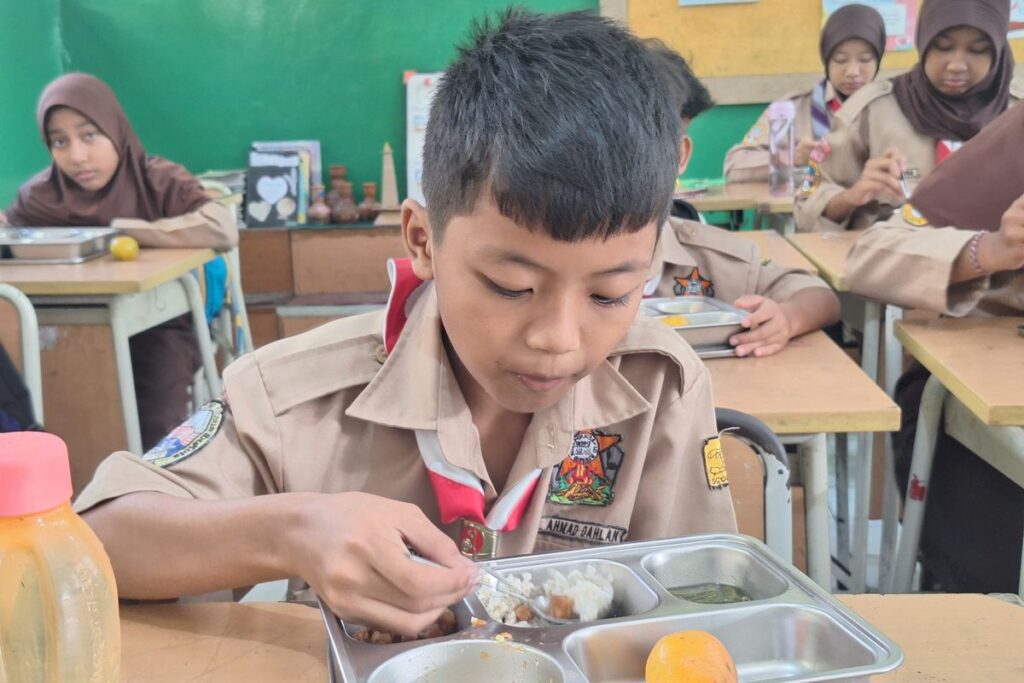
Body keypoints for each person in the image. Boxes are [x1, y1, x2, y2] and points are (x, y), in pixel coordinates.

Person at [74, 10, 736, 638]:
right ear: (422, 239)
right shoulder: (291, 397)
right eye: (512, 286)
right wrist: (289, 532)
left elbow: (706, 604)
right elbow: (97, 540)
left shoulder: (663, 388)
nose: (557, 338)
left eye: (611, 293)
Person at [2, 73, 238, 450]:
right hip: (57, 327)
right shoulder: (40, 196)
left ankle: (159, 494)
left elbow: (221, 227)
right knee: (52, 399)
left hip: (159, 327)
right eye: (59, 142)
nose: (77, 156)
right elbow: (12, 236)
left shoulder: (157, 179)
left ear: (115, 128)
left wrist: (126, 232)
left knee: (157, 415)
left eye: (89, 135)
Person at [844, 103, 1024, 592]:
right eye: (945, 46)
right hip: (977, 410)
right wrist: (988, 251)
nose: (959, 65)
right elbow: (872, 252)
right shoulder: (1014, 139)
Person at [646, 41, 840, 357]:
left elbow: (819, 296)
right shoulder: (552, 260)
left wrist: (785, 319)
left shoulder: (711, 257)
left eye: (656, 142)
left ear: (681, 155)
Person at [795, 0, 1019, 233]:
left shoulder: (1017, 116)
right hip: (896, 264)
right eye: (942, 47)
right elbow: (807, 198)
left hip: (1002, 265)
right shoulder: (874, 110)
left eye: (977, 50)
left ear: (998, 48)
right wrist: (850, 197)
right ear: (924, 41)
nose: (956, 65)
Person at [724, 4, 887, 182]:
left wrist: (895, 173)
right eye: (840, 60)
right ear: (826, 61)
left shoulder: (896, 111)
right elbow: (734, 166)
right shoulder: (791, 109)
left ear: (877, 61)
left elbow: (918, 174)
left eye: (865, 59)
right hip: (803, 209)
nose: (853, 71)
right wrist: (792, 158)